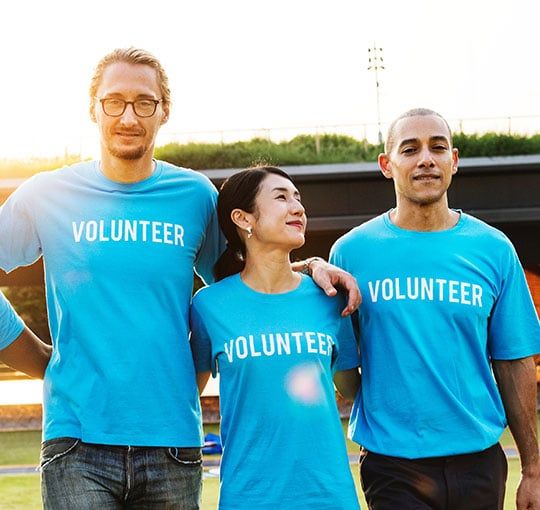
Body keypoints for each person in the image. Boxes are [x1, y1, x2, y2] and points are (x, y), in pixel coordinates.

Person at [0, 47, 360, 508]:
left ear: (163, 111)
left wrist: (309, 267)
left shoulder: (194, 196)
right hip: (77, 443)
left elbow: (247, 279)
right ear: (93, 109)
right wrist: (39, 359)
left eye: (144, 102)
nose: (128, 116)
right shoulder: (46, 193)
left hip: (173, 445)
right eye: (114, 102)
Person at [330, 108, 540, 510]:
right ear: (386, 165)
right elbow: (345, 369)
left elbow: (514, 361)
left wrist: (532, 468)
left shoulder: (494, 249)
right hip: (393, 465)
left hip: (478, 460)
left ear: (454, 161)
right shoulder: (351, 251)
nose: (426, 158)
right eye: (410, 149)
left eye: (437, 147)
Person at [190, 166, 361, 509]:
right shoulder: (209, 305)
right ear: (243, 218)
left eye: (298, 198)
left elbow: (353, 388)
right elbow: (187, 396)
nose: (297, 207)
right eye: (281, 197)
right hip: (248, 497)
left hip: (330, 497)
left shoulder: (329, 297)